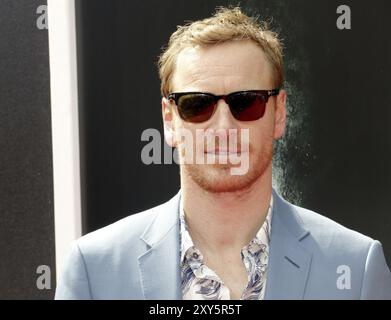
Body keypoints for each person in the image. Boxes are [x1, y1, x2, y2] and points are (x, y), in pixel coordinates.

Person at [55, 6, 391, 300]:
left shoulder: (355, 267)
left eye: (246, 102)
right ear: (169, 120)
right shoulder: (95, 270)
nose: (222, 127)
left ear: (280, 113)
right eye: (197, 105)